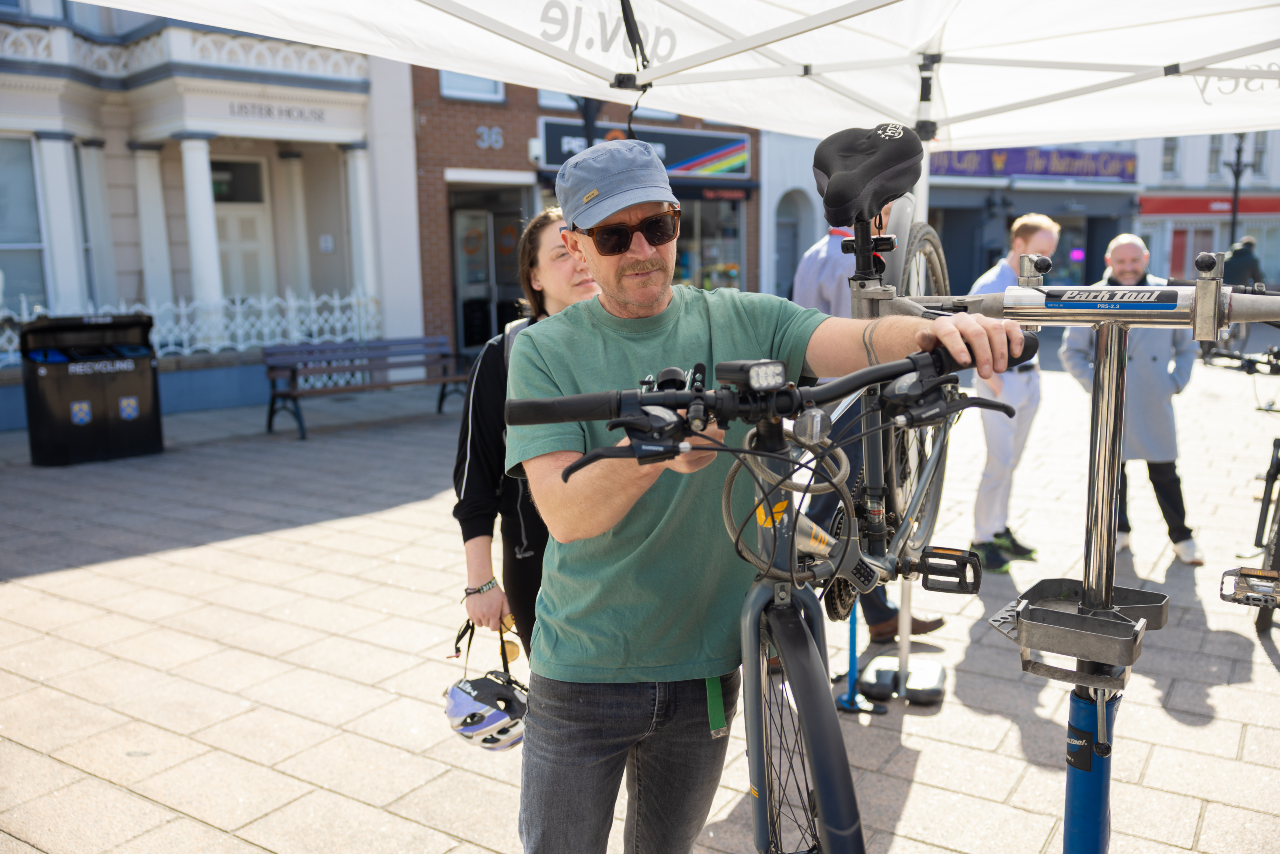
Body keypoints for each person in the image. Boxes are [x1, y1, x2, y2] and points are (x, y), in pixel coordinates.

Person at [506, 138, 1024, 853]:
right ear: (575, 245)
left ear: (678, 223)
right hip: (586, 672)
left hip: (708, 671)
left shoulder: (742, 318)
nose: (641, 250)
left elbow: (861, 338)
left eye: (657, 226)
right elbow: (565, 515)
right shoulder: (542, 351)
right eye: (612, 234)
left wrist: (940, 329)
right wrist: (654, 450)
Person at [790, 210, 945, 644]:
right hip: (859, 395)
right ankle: (786, 619)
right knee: (829, 508)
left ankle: (879, 614)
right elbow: (872, 336)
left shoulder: (813, 254)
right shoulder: (859, 262)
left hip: (822, 394)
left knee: (848, 505)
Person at [452, 206, 601, 654]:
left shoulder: (633, 343)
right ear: (533, 277)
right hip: (536, 563)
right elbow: (475, 478)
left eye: (585, 248)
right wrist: (480, 582)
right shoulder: (504, 355)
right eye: (560, 254)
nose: (579, 261)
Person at [1059, 234, 1202, 565]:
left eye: (1134, 260)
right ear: (1109, 260)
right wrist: (1096, 386)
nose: (1127, 267)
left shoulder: (1170, 293)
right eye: (1121, 261)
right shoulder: (1090, 295)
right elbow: (1071, 352)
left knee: (1165, 472)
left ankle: (1182, 536)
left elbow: (1187, 345)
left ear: (1146, 258)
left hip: (1154, 396)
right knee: (1112, 471)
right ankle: (1118, 531)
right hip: (1112, 399)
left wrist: (1175, 382)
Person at [967, 213, 1060, 573]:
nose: (1045, 261)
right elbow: (972, 333)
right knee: (998, 463)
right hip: (1001, 383)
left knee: (1010, 463)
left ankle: (998, 528)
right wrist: (995, 382)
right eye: (1039, 252)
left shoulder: (1027, 280)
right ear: (1018, 245)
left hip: (1024, 380)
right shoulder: (992, 284)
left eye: (1049, 253)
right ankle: (981, 540)